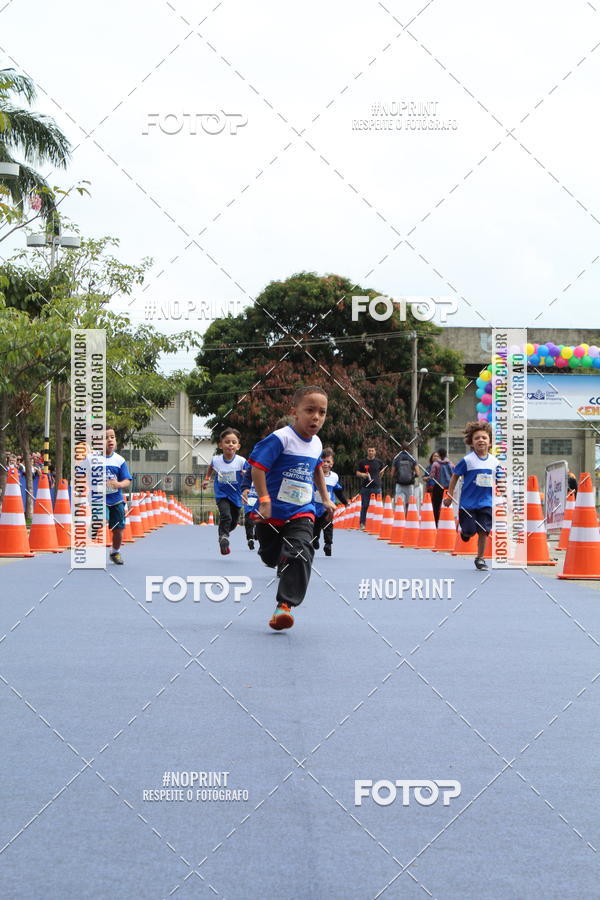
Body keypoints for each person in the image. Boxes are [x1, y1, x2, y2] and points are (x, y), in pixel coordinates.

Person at [248, 386, 335, 630]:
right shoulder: (281, 438)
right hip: (272, 513)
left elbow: (317, 469)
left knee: (301, 550)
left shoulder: (317, 444)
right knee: (270, 556)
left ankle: (284, 607)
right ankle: (278, 557)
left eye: (322, 412)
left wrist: (325, 498)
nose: (316, 417)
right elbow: (257, 468)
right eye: (310, 410)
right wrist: (265, 500)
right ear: (295, 411)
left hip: (301, 510)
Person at [444, 421, 501, 571]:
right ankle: (465, 532)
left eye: (484, 437)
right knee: (470, 531)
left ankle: (480, 558)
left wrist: (507, 499)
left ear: (490, 442)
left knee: (484, 531)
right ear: (471, 443)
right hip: (468, 504)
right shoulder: (467, 460)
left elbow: (500, 481)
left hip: (486, 503)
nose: (481, 440)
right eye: (477, 438)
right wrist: (449, 495)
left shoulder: (495, 462)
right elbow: (455, 476)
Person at [91, 426, 132, 565]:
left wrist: (118, 484)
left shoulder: (119, 460)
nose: (110, 440)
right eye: (105, 437)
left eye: (112, 437)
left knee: (119, 531)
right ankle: (94, 526)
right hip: (99, 499)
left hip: (116, 500)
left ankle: (115, 552)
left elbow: (127, 480)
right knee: (102, 519)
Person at [203, 428, 246, 555]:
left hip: (236, 495)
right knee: (226, 515)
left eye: (234, 442)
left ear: (238, 446)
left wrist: (245, 474)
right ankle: (223, 538)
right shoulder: (216, 460)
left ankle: (224, 534)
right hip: (221, 494)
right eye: (227, 442)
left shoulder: (241, 461)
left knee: (234, 522)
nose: (230, 444)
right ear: (220, 445)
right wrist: (206, 479)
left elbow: (249, 474)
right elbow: (210, 468)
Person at [312, 448, 349, 556]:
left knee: (328, 525)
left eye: (328, 462)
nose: (325, 464)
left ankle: (328, 544)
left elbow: (338, 491)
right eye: (323, 461)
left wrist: (345, 502)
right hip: (315, 506)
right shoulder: (314, 474)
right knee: (315, 526)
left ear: (332, 464)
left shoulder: (334, 477)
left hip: (328, 507)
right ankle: (315, 539)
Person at [356, 445, 385, 529]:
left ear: (375, 452)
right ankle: (362, 523)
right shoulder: (362, 462)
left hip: (377, 487)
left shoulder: (379, 462)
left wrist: (378, 479)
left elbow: (381, 472)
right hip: (366, 487)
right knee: (365, 506)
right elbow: (357, 473)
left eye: (372, 450)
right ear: (367, 451)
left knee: (378, 506)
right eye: (369, 450)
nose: (371, 452)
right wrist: (363, 474)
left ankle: (378, 523)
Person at [391, 441, 418, 513]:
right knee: (409, 502)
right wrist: (412, 476)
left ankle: (400, 516)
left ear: (401, 448)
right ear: (409, 448)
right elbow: (418, 473)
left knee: (399, 502)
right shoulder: (412, 458)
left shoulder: (396, 458)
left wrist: (396, 477)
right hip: (410, 484)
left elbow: (392, 474)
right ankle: (408, 516)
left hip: (399, 483)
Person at [429, 448, 454, 525]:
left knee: (436, 505)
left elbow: (432, 476)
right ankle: (447, 522)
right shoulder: (450, 464)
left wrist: (430, 477)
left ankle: (436, 522)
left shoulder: (435, 464)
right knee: (448, 504)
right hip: (448, 487)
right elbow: (454, 474)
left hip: (438, 486)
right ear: (446, 454)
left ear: (439, 455)